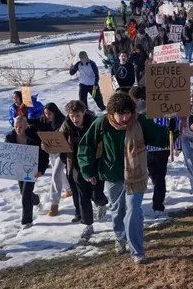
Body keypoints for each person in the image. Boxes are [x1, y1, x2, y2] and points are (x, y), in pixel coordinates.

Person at [77, 92, 176, 264]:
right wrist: (88, 170)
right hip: (112, 175)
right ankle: (119, 235)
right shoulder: (102, 123)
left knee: (133, 211)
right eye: (120, 114)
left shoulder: (139, 121)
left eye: (127, 113)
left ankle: (137, 250)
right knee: (117, 210)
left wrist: (171, 130)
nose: (124, 118)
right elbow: (86, 147)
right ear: (112, 112)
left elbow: (157, 136)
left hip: (136, 174)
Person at [60, 100, 109, 239]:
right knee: (83, 197)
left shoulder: (94, 123)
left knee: (96, 194)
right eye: (72, 116)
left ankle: (102, 203)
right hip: (76, 165)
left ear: (83, 113)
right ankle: (88, 224)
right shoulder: (66, 126)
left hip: (95, 164)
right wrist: (48, 146)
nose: (74, 119)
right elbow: (58, 142)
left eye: (77, 116)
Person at [5, 116, 50, 228]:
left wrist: (41, 170)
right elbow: (4, 156)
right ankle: (36, 200)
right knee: (24, 193)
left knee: (25, 194)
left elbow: (44, 155)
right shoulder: (10, 137)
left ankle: (27, 221)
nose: (18, 129)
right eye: (16, 126)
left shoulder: (34, 136)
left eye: (20, 127)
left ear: (25, 126)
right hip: (19, 169)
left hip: (32, 169)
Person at [39, 103, 71, 216]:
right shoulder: (43, 122)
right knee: (57, 172)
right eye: (46, 113)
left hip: (62, 152)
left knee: (56, 173)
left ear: (55, 112)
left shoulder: (63, 122)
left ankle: (54, 204)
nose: (47, 116)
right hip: (50, 151)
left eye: (50, 114)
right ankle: (69, 189)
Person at [181, 96, 193, 194]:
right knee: (190, 163)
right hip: (186, 138)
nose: (191, 99)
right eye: (189, 97)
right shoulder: (181, 108)